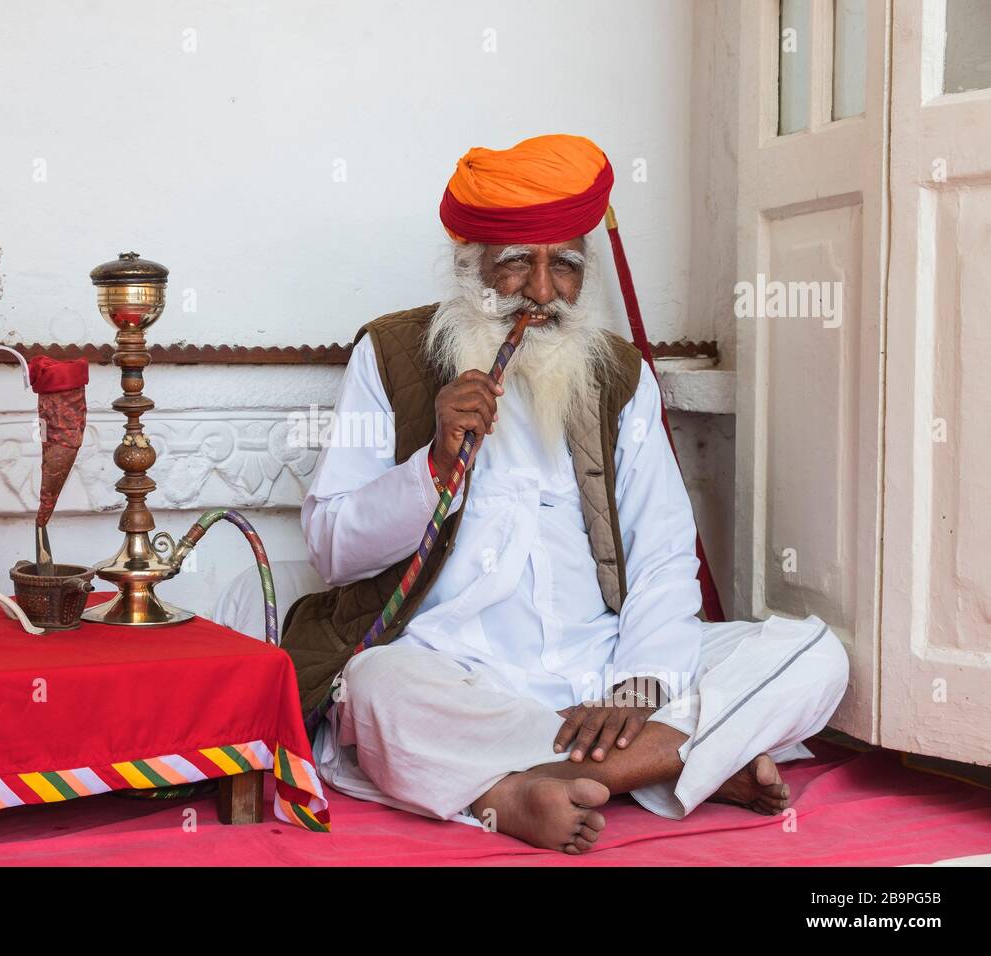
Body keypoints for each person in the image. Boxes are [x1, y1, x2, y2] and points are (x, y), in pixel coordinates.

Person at [279, 134, 849, 853]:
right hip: (453, 667)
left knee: (815, 654)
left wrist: (639, 685)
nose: (543, 292)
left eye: (565, 267)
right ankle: (682, 761)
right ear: (471, 267)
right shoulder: (391, 354)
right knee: (375, 693)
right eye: (517, 262)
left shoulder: (618, 373)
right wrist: (433, 464)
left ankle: (540, 783)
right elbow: (334, 551)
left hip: (604, 664)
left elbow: (663, 554)